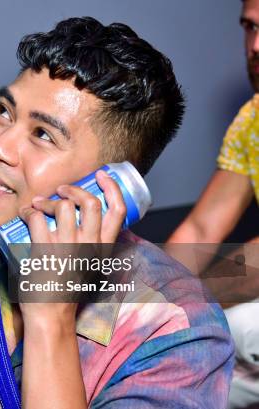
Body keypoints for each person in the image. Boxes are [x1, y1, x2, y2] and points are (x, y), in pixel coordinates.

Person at [0, 17, 234, 408]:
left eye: (43, 134)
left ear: (107, 187)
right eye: (4, 110)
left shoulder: (177, 329)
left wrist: (50, 317)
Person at [166, 1, 259, 407]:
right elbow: (201, 230)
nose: (255, 46)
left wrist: (167, 304)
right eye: (249, 28)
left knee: (240, 327)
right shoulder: (253, 118)